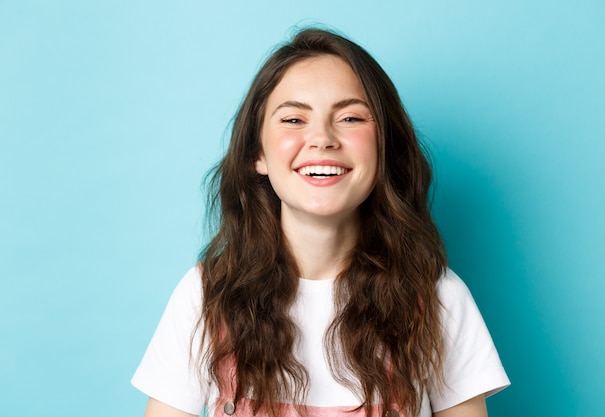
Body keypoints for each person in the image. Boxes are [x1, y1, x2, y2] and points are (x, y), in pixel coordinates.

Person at [132, 28, 510, 417]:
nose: (322, 138)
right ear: (256, 154)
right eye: (294, 119)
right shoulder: (205, 296)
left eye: (349, 117)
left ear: (384, 150)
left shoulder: (437, 297)